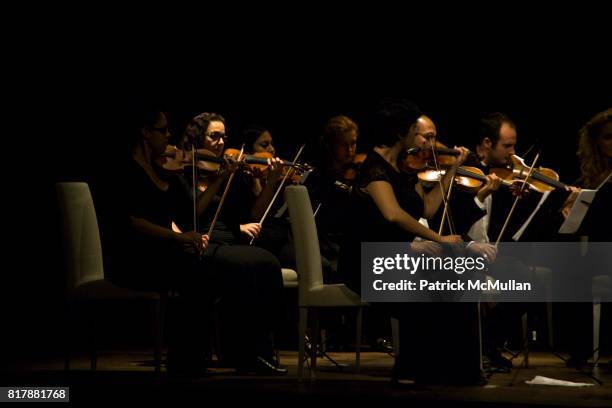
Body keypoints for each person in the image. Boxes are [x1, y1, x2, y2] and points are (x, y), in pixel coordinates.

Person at [338, 98, 485, 385]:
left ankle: (453, 367)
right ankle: (415, 366)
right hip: (367, 262)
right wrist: (439, 238)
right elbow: (393, 215)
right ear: (400, 133)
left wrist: (452, 169)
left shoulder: (403, 168)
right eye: (414, 131)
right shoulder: (374, 168)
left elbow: (427, 209)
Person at [178, 113, 288, 375]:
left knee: (263, 261)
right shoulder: (183, 171)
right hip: (201, 242)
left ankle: (257, 350)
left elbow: (253, 213)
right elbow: (191, 213)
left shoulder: (230, 172)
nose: (220, 142)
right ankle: (249, 353)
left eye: (223, 137)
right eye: (213, 136)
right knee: (255, 263)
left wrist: (271, 180)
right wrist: (219, 179)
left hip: (227, 242)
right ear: (197, 138)